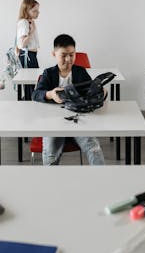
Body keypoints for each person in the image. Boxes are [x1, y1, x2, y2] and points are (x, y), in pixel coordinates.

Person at [32, 34, 105, 166]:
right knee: (50, 153)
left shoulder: (80, 72)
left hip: (79, 120)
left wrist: (100, 91)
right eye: (63, 55)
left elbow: (90, 91)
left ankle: (102, 181)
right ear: (54, 54)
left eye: (72, 54)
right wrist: (50, 94)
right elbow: (36, 94)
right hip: (53, 123)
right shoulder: (49, 73)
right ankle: (51, 184)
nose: (68, 59)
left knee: (94, 149)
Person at [17, 0, 40, 99]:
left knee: (32, 83)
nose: (37, 13)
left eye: (38, 10)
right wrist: (32, 31)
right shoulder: (24, 22)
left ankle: (29, 102)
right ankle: (28, 103)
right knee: (29, 83)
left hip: (31, 55)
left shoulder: (29, 22)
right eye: (34, 11)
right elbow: (22, 43)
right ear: (26, 11)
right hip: (27, 56)